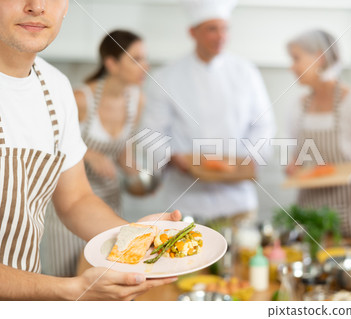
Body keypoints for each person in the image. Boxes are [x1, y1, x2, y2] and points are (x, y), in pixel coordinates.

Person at [0, 0, 179, 300]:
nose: (36, 6)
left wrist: (136, 235)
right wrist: (67, 289)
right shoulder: (81, 95)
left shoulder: (56, 88)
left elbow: (75, 200)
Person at [143, 0, 275, 224]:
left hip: (238, 202)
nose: (220, 36)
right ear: (192, 32)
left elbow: (264, 125)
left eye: (224, 28)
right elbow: (151, 133)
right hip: (186, 205)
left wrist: (250, 160)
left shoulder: (246, 72)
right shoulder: (166, 77)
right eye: (212, 29)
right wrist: (176, 158)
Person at [40, 30, 149, 277]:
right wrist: (87, 152)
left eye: (145, 58)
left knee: (104, 282)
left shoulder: (136, 100)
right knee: (68, 282)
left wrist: (140, 179)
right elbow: (48, 144)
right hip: (68, 211)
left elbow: (123, 153)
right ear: (111, 63)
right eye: (137, 59)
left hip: (108, 206)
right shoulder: (80, 98)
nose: (146, 65)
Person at [285, 29, 351, 245]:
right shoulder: (299, 107)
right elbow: (298, 156)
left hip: (350, 219)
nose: (291, 67)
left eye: (296, 59)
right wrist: (294, 166)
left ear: (320, 58)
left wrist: (341, 174)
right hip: (310, 218)